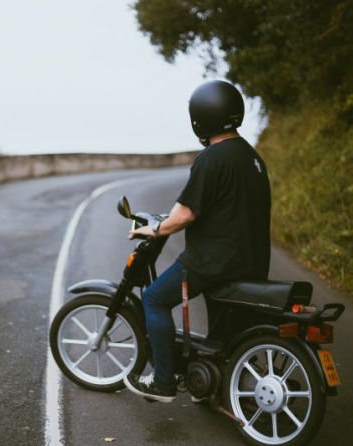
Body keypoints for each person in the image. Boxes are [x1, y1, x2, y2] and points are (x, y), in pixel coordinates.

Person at [123, 80, 271, 403]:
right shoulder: (251, 158)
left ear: (200, 119)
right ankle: (214, 384)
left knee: (155, 299)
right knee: (223, 329)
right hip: (250, 260)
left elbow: (184, 215)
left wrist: (151, 230)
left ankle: (162, 381)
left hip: (214, 261)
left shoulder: (212, 158)